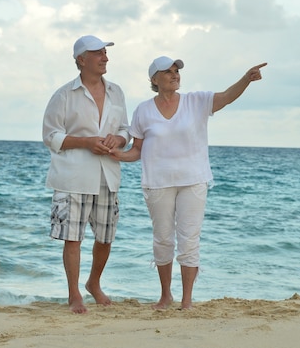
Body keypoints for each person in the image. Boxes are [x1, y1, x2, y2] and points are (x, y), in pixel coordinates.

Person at [111, 55, 267, 309]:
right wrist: (116, 155)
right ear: (154, 79)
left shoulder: (197, 101)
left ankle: (186, 300)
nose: (175, 75)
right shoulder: (143, 110)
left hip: (193, 181)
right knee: (162, 239)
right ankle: (165, 296)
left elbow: (226, 96)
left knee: (189, 239)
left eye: (177, 71)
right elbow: (136, 150)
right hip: (157, 183)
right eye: (168, 71)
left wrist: (246, 79)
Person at [42, 35, 130, 314]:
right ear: (81, 59)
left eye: (105, 53)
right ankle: (74, 294)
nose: (105, 58)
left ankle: (94, 283)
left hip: (107, 174)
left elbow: (126, 130)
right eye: (98, 53)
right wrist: (85, 141)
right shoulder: (64, 94)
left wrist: (118, 139)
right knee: (73, 237)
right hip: (73, 176)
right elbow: (50, 135)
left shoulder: (116, 91)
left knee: (105, 237)